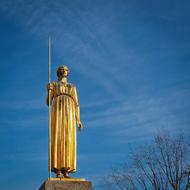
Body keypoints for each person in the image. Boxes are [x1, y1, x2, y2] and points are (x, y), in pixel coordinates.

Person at [47, 65, 83, 178]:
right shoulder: (54, 85)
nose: (64, 71)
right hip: (57, 110)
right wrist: (49, 90)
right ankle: (57, 169)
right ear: (58, 72)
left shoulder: (72, 87)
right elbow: (48, 102)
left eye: (66, 69)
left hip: (70, 111)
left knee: (68, 138)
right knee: (58, 137)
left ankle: (66, 169)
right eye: (62, 69)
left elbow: (77, 104)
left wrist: (78, 119)